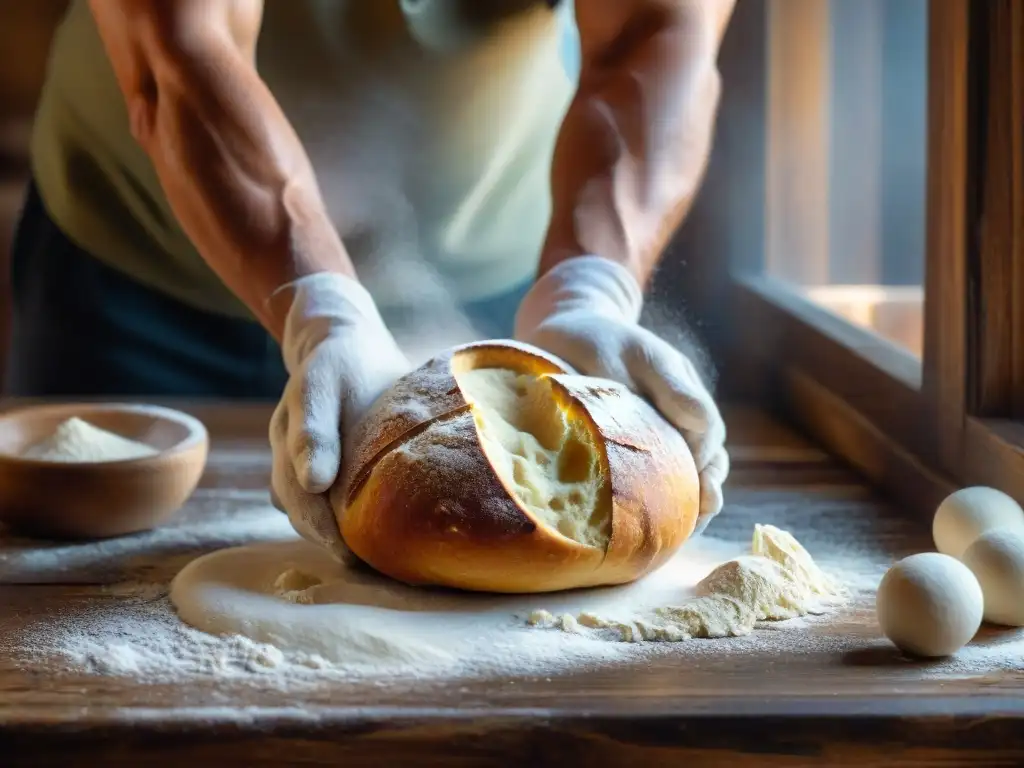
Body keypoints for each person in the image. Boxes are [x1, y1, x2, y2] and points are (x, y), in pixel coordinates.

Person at [6, 0, 733, 559]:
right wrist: (322, 306)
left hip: (490, 272)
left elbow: (657, 30)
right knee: (85, 582)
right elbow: (181, 45)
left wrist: (588, 286)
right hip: (143, 266)